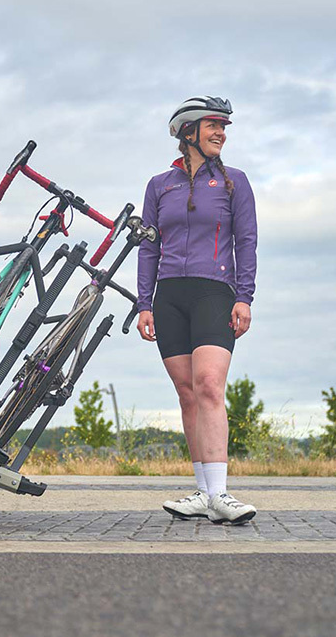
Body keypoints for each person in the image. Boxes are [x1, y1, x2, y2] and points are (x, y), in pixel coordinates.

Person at [136, 96, 258, 525]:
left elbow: (246, 241)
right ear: (188, 131)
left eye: (224, 126)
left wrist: (245, 296)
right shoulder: (159, 185)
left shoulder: (234, 182)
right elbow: (149, 246)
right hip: (169, 295)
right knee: (187, 393)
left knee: (208, 384)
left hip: (215, 291)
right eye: (213, 125)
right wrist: (144, 303)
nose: (221, 132)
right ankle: (203, 492)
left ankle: (221, 494)